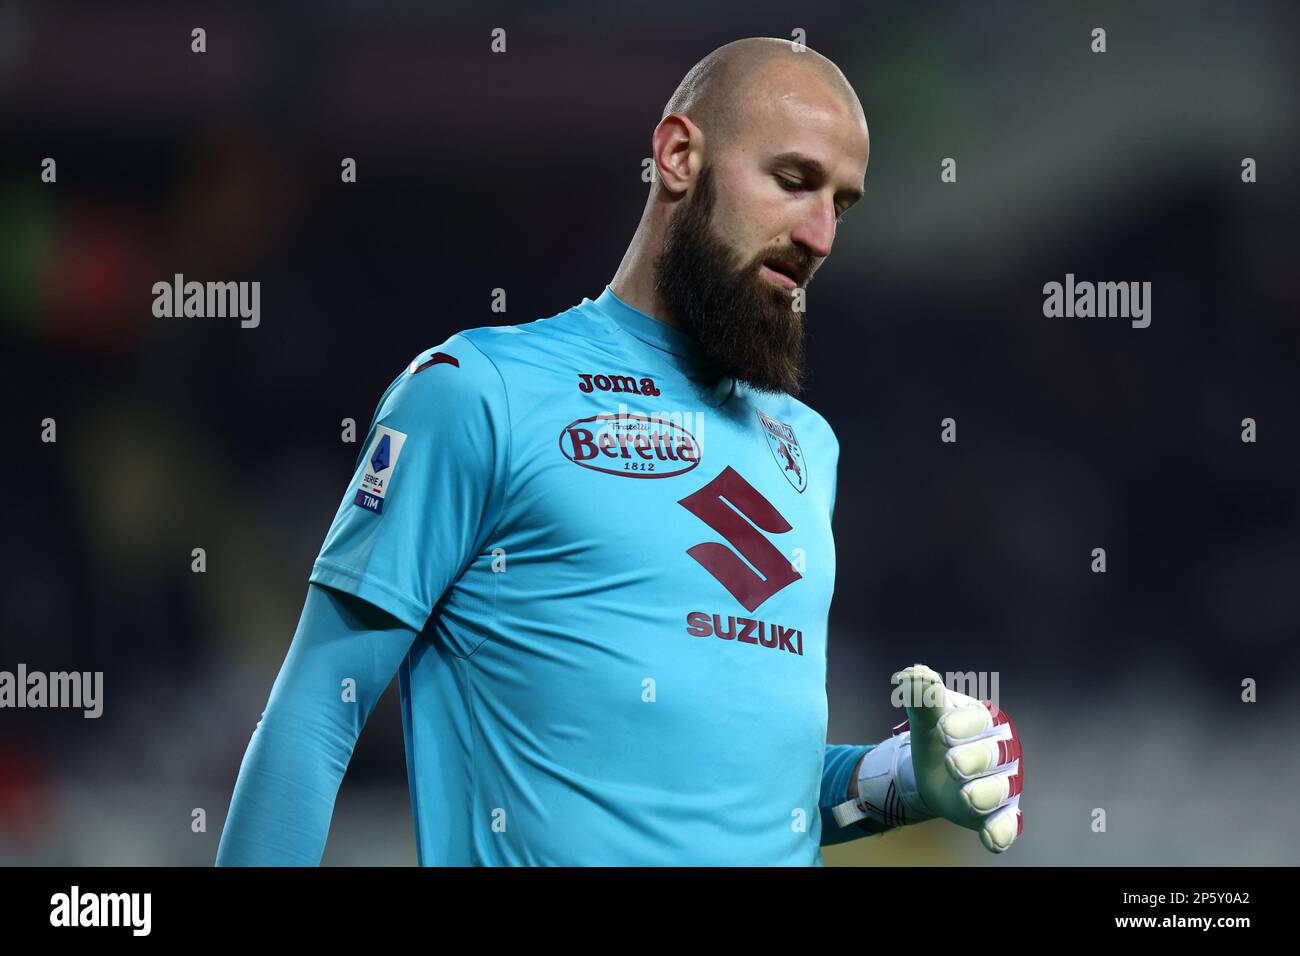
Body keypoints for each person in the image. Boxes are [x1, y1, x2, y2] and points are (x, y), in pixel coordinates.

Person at [216, 36, 1022, 866]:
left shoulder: (807, 447)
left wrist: (901, 782)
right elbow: (315, 715)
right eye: (792, 182)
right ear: (678, 156)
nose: (819, 234)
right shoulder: (480, 393)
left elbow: (749, 792)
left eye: (841, 205)